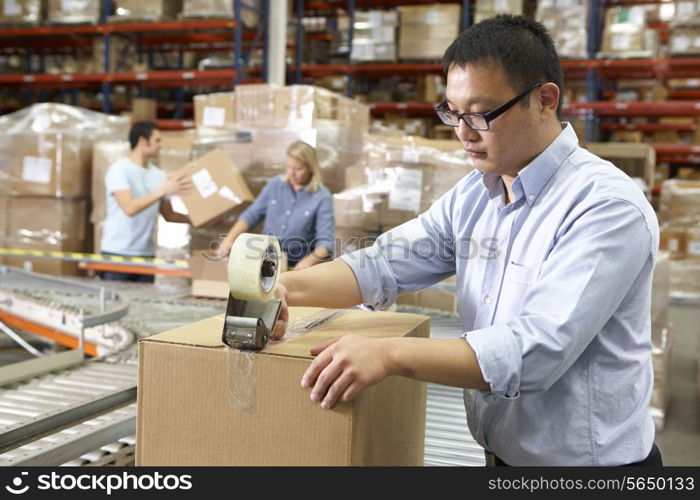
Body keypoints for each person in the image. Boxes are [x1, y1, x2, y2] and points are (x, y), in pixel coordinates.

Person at [272, 15, 662, 467]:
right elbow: (386, 263)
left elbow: (535, 350)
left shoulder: (605, 206)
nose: (462, 132)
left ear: (544, 100)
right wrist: (285, 289)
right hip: (499, 456)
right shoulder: (477, 192)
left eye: (480, 113)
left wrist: (389, 354)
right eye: (452, 113)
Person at [217, 140, 334, 270]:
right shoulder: (275, 185)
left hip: (296, 264)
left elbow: (325, 243)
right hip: (265, 259)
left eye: (298, 169)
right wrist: (229, 239)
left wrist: (306, 263)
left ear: (311, 168)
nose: (292, 173)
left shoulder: (322, 197)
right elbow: (251, 216)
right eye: (289, 167)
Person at [100, 120, 191, 283]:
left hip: (146, 255)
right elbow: (129, 208)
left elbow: (169, 215)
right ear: (143, 141)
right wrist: (163, 190)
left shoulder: (158, 175)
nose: (160, 145)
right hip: (118, 254)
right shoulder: (119, 170)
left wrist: (202, 221)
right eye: (157, 140)